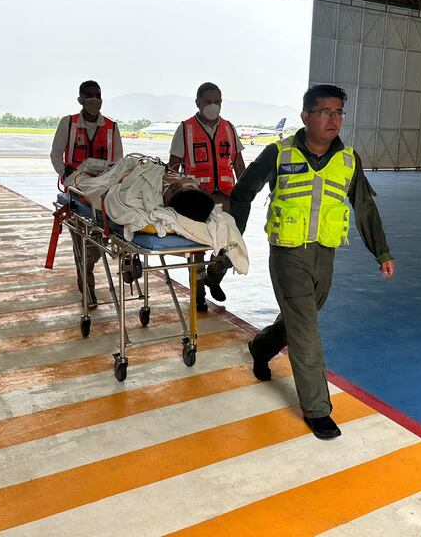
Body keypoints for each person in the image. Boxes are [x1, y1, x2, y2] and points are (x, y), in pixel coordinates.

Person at [229, 84, 395, 440]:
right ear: (306, 116)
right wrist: (233, 239)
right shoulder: (279, 153)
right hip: (288, 253)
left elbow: (364, 206)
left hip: (325, 254)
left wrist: (381, 251)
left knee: (301, 318)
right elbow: (242, 192)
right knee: (306, 330)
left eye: (339, 113)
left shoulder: (349, 159)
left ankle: (261, 347)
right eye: (325, 112)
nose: (333, 119)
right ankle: (318, 409)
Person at [168, 82, 246, 312]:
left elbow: (240, 166)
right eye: (209, 102)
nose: (214, 106)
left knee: (230, 244)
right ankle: (198, 294)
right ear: (198, 103)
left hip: (226, 198)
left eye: (218, 102)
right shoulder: (185, 129)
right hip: (197, 200)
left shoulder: (229, 129)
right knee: (197, 250)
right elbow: (172, 168)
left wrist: (246, 194)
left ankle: (214, 277)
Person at [51, 80, 123, 303]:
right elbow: (56, 154)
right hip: (76, 188)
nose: (95, 99)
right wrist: (67, 175)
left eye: (98, 95)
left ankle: (90, 263)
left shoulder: (111, 127)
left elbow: (119, 161)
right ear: (80, 99)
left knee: (96, 239)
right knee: (81, 240)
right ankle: (87, 288)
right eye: (89, 95)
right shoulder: (69, 124)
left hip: (102, 188)